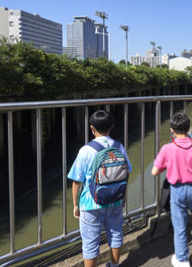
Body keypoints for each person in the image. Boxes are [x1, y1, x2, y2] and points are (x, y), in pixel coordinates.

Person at [68, 110, 132, 267]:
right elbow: (126, 172)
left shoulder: (86, 150)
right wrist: (122, 197)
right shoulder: (119, 147)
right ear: (112, 126)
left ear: (91, 128)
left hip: (91, 204)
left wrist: (76, 204)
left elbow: (77, 180)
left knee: (90, 243)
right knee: (116, 234)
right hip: (116, 200)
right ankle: (114, 265)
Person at [152, 112, 192, 267]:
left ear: (172, 130)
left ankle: (182, 259)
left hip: (177, 190)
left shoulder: (167, 149)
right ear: (189, 129)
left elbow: (154, 171)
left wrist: (168, 167)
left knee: (179, 226)